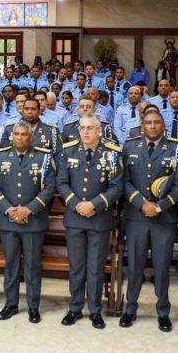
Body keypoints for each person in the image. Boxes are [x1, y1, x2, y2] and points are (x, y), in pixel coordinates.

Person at [120, 109, 178, 331]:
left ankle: (163, 311)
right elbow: (124, 181)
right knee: (135, 266)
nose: (152, 126)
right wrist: (142, 203)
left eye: (156, 122)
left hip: (164, 218)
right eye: (148, 122)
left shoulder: (177, 148)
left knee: (161, 266)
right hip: (136, 217)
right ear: (142, 125)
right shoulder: (130, 146)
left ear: (163, 125)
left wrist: (159, 206)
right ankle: (130, 308)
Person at [57, 115, 123, 329]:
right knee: (76, 266)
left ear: (99, 131)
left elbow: (116, 187)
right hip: (75, 218)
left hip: (99, 218)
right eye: (82, 128)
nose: (85, 132)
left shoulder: (112, 154)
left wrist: (94, 204)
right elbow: (62, 182)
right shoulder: (68, 151)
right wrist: (77, 204)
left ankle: (95, 310)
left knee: (95, 267)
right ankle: (75, 307)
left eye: (90, 128)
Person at [0, 121, 56, 323]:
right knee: (11, 265)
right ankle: (10, 304)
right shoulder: (0, 157)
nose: (19, 137)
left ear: (31, 137)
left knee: (33, 266)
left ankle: (33, 306)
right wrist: (9, 209)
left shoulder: (44, 157)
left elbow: (49, 188)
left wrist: (29, 209)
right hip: (7, 220)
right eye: (16, 134)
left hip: (33, 221)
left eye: (24, 134)